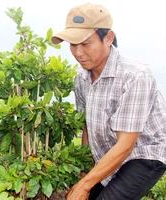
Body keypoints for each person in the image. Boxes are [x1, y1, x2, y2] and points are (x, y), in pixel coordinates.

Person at [51, 3, 166, 200]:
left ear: (108, 38)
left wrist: (84, 185)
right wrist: (85, 172)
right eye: (73, 45)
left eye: (85, 44)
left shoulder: (135, 74)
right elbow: (87, 126)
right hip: (109, 155)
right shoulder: (81, 78)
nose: (78, 53)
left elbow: (126, 144)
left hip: (144, 153)